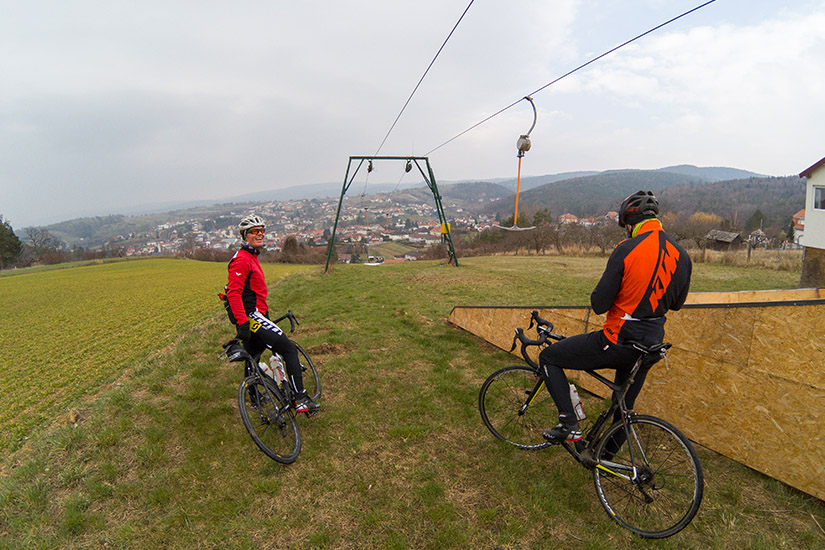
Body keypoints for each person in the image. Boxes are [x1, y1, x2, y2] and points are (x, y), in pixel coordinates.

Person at [540, 190, 691, 443]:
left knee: (549, 357)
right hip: (651, 345)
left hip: (618, 341)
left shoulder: (627, 248)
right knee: (623, 408)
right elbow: (676, 304)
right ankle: (605, 463)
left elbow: (599, 304)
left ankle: (569, 423)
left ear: (630, 224)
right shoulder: (682, 255)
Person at [224, 214, 319, 414]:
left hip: (256, 315)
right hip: (251, 316)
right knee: (288, 349)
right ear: (245, 235)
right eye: (254, 231)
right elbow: (233, 293)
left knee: (253, 357)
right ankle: (300, 399)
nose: (260, 234)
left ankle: (255, 398)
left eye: (262, 230)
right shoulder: (241, 259)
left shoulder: (251, 256)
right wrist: (243, 323)